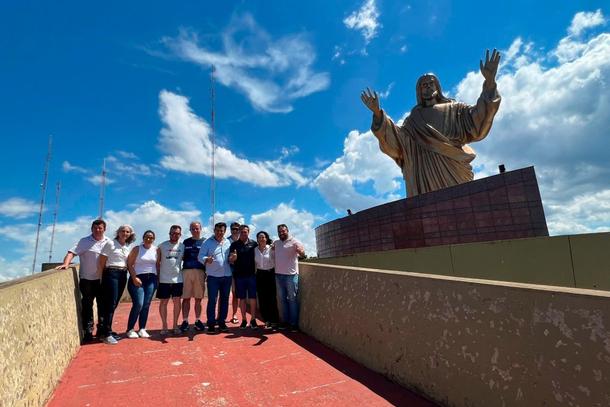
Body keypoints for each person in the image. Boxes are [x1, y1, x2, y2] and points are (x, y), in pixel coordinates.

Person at [361, 49, 501, 196]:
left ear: (437, 87)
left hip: (453, 169)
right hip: (423, 177)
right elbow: (398, 143)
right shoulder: (413, 119)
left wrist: (490, 82)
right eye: (423, 85)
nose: (428, 86)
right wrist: (377, 113)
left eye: (431, 83)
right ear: (419, 91)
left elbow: (478, 120)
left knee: (463, 206)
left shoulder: (455, 108)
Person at [57, 219, 110, 342]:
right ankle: (88, 331)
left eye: (100, 228)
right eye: (95, 228)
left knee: (103, 306)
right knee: (87, 305)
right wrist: (66, 264)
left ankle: (101, 330)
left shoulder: (108, 242)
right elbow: (71, 253)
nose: (97, 230)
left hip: (102, 279)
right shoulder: (84, 241)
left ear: (104, 229)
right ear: (92, 229)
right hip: (87, 280)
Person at [97, 224, 135, 345]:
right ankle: (106, 334)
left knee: (114, 304)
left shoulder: (126, 246)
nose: (125, 233)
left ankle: (106, 329)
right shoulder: (110, 243)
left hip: (122, 274)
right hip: (111, 273)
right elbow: (102, 261)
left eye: (127, 232)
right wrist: (101, 277)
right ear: (118, 232)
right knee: (110, 303)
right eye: (122, 231)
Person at [198, 222, 232, 333]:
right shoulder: (207, 242)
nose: (219, 232)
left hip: (227, 276)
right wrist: (206, 259)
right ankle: (211, 323)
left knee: (225, 300)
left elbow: (231, 257)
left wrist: (233, 258)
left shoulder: (228, 242)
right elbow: (200, 257)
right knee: (212, 300)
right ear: (214, 230)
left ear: (225, 231)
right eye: (217, 230)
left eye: (222, 230)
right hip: (213, 277)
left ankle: (221, 322)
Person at [125, 230, 158, 338]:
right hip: (138, 278)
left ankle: (142, 328)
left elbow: (158, 265)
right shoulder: (137, 249)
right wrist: (134, 277)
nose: (149, 239)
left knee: (146, 304)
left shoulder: (156, 250)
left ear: (154, 239)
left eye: (151, 237)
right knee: (139, 303)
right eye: (147, 237)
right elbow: (129, 264)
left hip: (151, 279)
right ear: (143, 238)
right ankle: (130, 329)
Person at [273, 224, 305, 331]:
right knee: (282, 300)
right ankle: (285, 322)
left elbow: (302, 254)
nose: (281, 233)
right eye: (279, 231)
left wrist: (301, 251)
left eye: (283, 231)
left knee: (292, 299)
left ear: (287, 231)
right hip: (278, 275)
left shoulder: (295, 242)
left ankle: (294, 324)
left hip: (291, 275)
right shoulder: (276, 243)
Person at [229, 225, 259, 330]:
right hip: (239, 276)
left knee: (252, 298)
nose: (243, 233)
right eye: (241, 232)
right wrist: (233, 258)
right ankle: (244, 319)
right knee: (241, 298)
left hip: (251, 275)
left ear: (248, 232)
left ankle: (253, 319)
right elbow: (230, 260)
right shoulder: (234, 245)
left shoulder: (254, 244)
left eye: (245, 232)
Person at [157, 225, 185, 335]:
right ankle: (164, 326)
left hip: (178, 279)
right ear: (169, 233)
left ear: (180, 235)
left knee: (177, 302)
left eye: (177, 233)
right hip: (164, 279)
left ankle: (175, 325)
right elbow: (157, 263)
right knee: (163, 302)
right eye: (172, 233)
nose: (174, 235)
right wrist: (158, 277)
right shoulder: (162, 246)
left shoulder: (182, 246)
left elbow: (184, 260)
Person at [180, 221, 206, 333]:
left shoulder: (205, 242)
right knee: (185, 298)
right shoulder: (185, 242)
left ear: (201, 229)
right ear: (190, 230)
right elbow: (180, 257)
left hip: (200, 272)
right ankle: (185, 321)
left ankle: (197, 320)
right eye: (193, 229)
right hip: (186, 271)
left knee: (198, 299)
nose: (195, 230)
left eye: (197, 228)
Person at [254, 231, 279, 329]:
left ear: (266, 238)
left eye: (263, 237)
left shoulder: (272, 248)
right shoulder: (254, 250)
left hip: (270, 274)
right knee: (262, 298)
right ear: (257, 239)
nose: (261, 239)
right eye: (259, 237)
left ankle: (275, 321)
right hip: (259, 274)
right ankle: (267, 320)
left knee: (272, 298)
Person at [227, 221, 241, 324]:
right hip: (227, 270)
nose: (235, 231)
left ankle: (234, 315)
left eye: (237, 229)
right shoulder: (226, 241)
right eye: (233, 229)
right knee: (223, 294)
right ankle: (220, 316)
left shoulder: (243, 241)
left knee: (236, 294)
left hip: (239, 271)